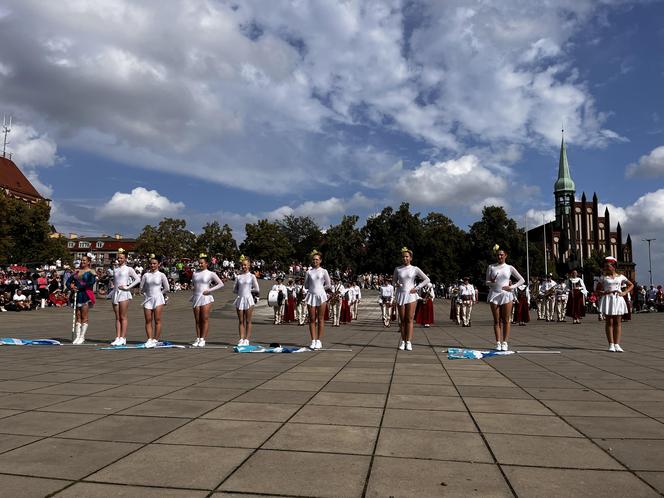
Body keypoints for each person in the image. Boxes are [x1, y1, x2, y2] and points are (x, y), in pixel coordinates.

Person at [486, 247, 525, 351]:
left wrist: (511, 287)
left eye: (501, 255)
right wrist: (492, 282)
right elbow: (487, 282)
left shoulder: (509, 267)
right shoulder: (491, 267)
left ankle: (505, 342)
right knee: (496, 320)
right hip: (494, 294)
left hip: (506, 295)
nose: (499, 256)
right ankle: (498, 342)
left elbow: (522, 280)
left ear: (505, 256)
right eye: (498, 255)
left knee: (506, 319)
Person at [393, 247, 430, 351]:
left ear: (410, 258)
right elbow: (393, 281)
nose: (405, 258)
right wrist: (396, 284)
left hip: (411, 295)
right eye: (403, 257)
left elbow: (427, 279)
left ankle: (408, 342)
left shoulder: (415, 269)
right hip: (400, 294)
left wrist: (417, 288)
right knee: (402, 320)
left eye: (407, 257)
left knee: (409, 319)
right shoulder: (398, 269)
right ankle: (403, 341)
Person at [595, 256, 633, 352]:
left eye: (608, 266)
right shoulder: (603, 277)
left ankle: (617, 344)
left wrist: (624, 292)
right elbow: (597, 290)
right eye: (605, 266)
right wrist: (604, 292)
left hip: (618, 299)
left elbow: (631, 285)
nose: (607, 268)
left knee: (618, 322)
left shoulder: (621, 277)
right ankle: (611, 344)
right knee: (609, 322)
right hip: (608, 299)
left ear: (614, 266)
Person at [191, 253, 224, 347]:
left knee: (204, 318)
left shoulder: (211, 273)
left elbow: (221, 284)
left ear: (206, 264)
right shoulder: (195, 273)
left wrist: (209, 290)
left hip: (206, 297)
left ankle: (203, 339)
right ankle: (198, 338)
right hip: (196, 297)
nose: (200, 265)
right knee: (197, 320)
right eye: (199, 263)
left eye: (202, 263)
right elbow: (194, 284)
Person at [108, 249, 140, 346]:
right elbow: (115, 280)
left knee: (123, 316)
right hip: (116, 293)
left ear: (125, 259)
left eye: (122, 258)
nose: (119, 259)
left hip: (124, 293)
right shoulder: (115, 269)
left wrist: (128, 287)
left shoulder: (128, 269)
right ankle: (117, 337)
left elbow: (138, 279)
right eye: (119, 258)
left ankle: (123, 337)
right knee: (117, 317)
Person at [139, 255, 170, 348]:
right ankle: (149, 339)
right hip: (148, 299)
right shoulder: (146, 275)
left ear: (158, 264)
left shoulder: (161, 275)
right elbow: (141, 287)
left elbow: (167, 288)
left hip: (158, 299)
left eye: (154, 263)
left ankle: (156, 339)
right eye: (151, 263)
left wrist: (160, 294)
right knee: (148, 320)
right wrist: (145, 293)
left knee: (157, 319)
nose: (152, 265)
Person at [303, 250, 332, 349]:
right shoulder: (308, 272)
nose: (315, 261)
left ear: (320, 261)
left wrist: (320, 289)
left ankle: (319, 340)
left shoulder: (324, 271)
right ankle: (313, 340)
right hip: (311, 295)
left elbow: (328, 285)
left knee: (320, 318)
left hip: (321, 296)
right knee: (311, 319)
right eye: (313, 259)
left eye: (317, 259)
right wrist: (311, 287)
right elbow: (306, 285)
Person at [66, 255, 97, 345]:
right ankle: (77, 336)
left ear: (88, 262)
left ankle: (82, 337)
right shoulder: (76, 272)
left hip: (85, 294)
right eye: (81, 260)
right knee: (77, 315)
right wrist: (71, 286)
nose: (82, 262)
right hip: (77, 294)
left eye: (84, 260)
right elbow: (68, 281)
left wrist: (78, 286)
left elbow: (90, 283)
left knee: (84, 315)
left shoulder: (91, 272)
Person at [233, 255, 260, 346]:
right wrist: (240, 292)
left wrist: (249, 290)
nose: (244, 266)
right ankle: (241, 338)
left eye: (245, 265)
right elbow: (234, 289)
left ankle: (247, 339)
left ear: (249, 266)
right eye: (243, 265)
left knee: (248, 320)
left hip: (248, 299)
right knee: (241, 320)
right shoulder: (238, 277)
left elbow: (257, 289)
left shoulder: (252, 276)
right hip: (240, 298)